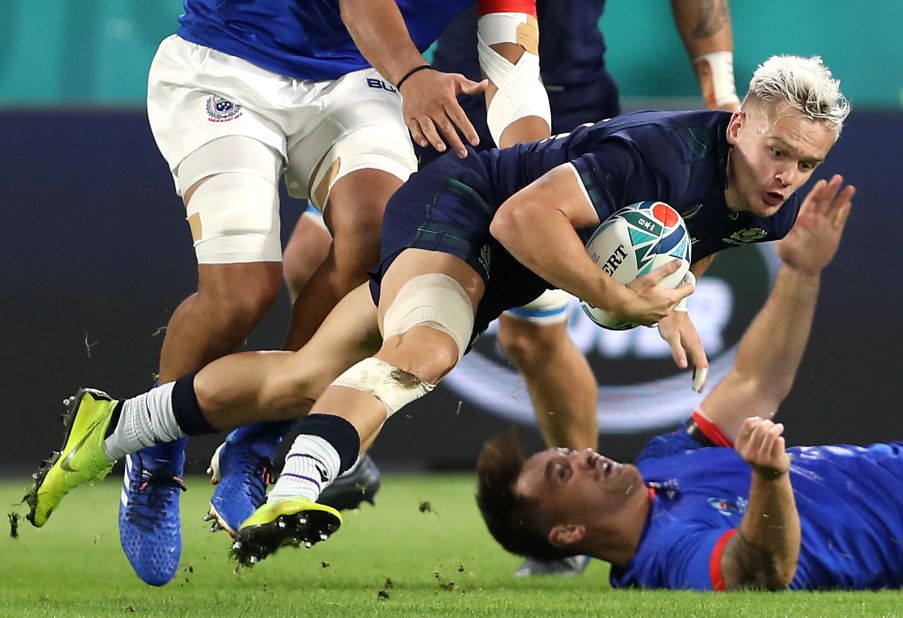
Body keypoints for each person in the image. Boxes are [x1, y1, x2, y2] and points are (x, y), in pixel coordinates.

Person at [27, 55, 848, 568]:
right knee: (424, 351)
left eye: (804, 162)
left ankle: (117, 428)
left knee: (302, 377)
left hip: (497, 270)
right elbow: (519, 219)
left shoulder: (771, 205)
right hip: (463, 207)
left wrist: (669, 300)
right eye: (775, 150)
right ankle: (296, 485)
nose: (785, 174)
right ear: (738, 121)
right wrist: (611, 295)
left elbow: (697, 236)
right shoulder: (657, 153)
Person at [120, 0, 549, 586]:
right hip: (227, 61)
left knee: (378, 243)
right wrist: (414, 75)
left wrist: (538, 178)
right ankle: (154, 456)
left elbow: (514, 73)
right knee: (242, 294)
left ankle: (262, 440)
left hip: (357, 77)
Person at [420, 0, 742, 576]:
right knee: (329, 263)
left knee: (531, 338)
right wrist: (398, 71)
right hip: (453, 103)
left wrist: (719, 89)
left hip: (574, 114)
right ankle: (303, 445)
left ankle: (577, 524)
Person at [474, 175, 895, 591]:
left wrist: (800, 272)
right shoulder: (667, 558)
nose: (586, 457)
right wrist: (768, 480)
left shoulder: (661, 462)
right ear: (567, 534)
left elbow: (754, 384)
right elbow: (758, 573)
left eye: (569, 452)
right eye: (563, 473)